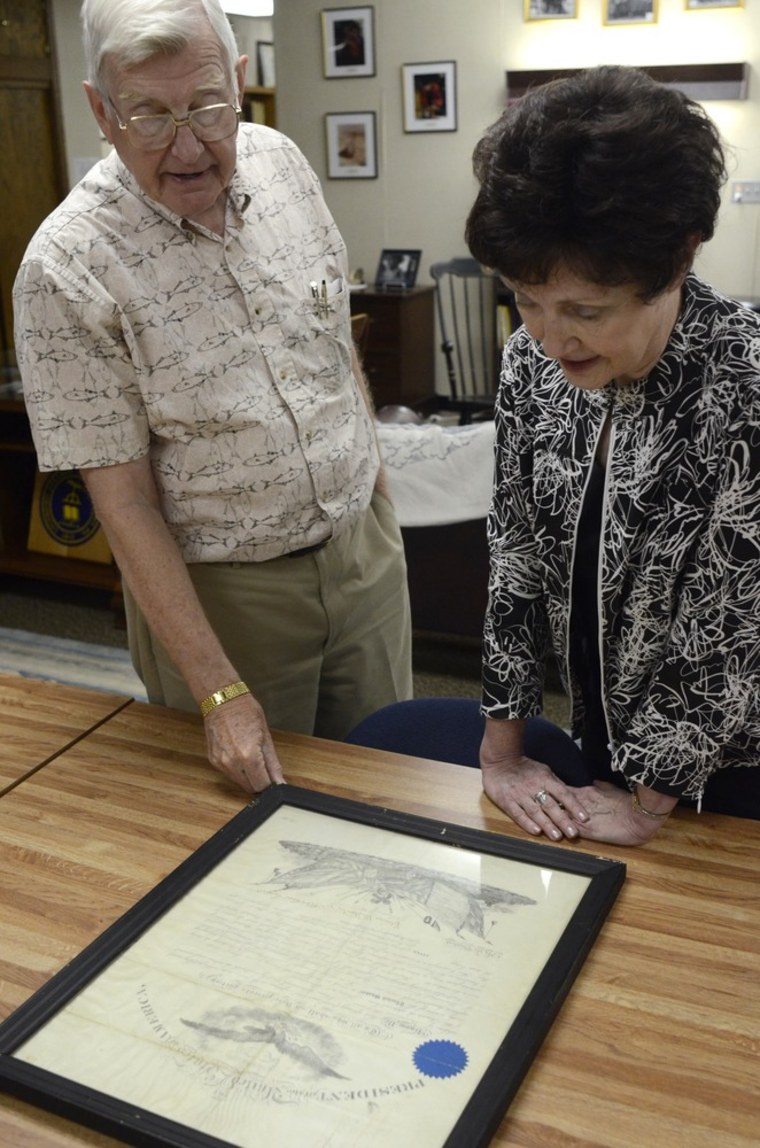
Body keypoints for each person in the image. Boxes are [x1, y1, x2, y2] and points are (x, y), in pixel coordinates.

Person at [13, 0, 412, 795]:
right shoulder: (65, 267)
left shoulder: (283, 163)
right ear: (100, 108)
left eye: (207, 107)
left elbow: (332, 336)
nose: (190, 146)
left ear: (238, 80)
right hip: (229, 600)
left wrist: (374, 487)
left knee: (392, 794)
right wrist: (220, 691)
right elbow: (122, 505)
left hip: (363, 557)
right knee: (257, 846)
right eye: (150, 116)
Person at [465, 65, 760, 846]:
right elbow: (516, 554)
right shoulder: (532, 363)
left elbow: (729, 623)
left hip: (732, 771)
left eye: (584, 311)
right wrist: (502, 755)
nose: (549, 337)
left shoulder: (745, 384)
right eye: (525, 299)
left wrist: (649, 807)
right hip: (603, 736)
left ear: (678, 259)